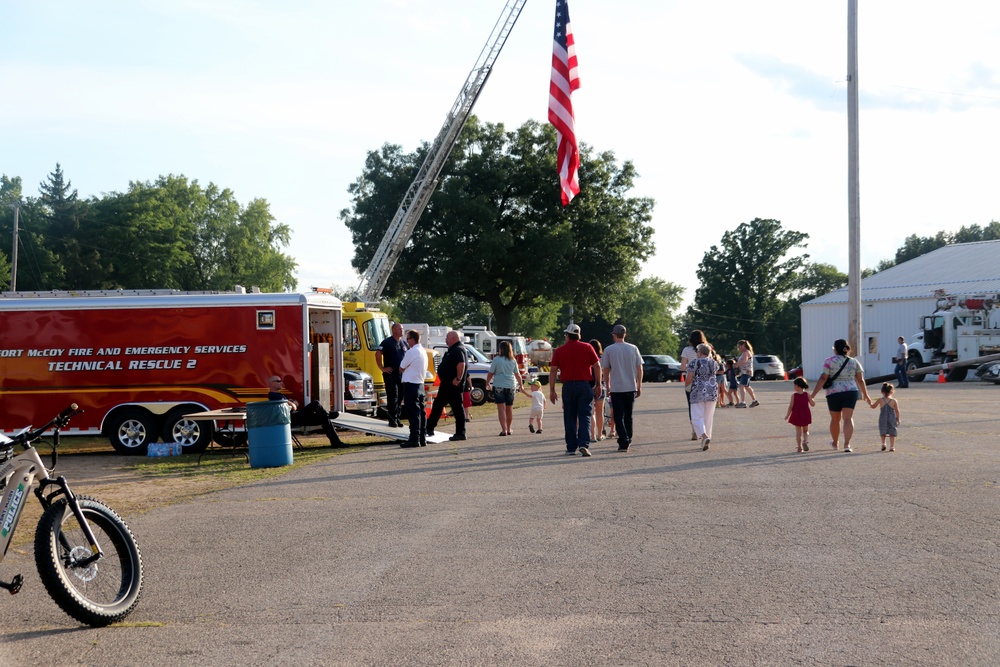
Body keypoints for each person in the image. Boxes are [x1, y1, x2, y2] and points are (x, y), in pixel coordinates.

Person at [810, 338, 872, 453]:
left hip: (833, 393)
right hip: (851, 392)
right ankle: (847, 444)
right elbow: (860, 380)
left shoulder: (828, 361)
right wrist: (866, 395)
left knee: (835, 419)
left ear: (835, 349)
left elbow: (824, 378)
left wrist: (813, 394)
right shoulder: (854, 362)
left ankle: (835, 443)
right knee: (848, 418)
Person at [549, 323, 602, 457]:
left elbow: (553, 371)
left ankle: (571, 447)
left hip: (568, 386)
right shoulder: (588, 347)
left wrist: (552, 390)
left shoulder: (559, 351)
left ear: (567, 335)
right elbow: (597, 365)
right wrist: (599, 384)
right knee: (585, 416)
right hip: (585, 385)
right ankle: (584, 444)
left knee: (570, 417)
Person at [266, 375, 343, 447]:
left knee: (324, 418)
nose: (281, 383)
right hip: (292, 418)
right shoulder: (274, 396)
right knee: (315, 403)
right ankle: (329, 414)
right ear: (272, 383)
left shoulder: (280, 395)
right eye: (278, 381)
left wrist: (292, 402)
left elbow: (296, 403)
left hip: (295, 416)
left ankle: (336, 442)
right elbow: (294, 407)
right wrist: (292, 403)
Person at [600, 324, 643, 452]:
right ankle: (628, 437)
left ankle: (623, 440)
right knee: (628, 415)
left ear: (614, 335)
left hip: (616, 387)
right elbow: (639, 369)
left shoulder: (609, 349)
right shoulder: (633, 348)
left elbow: (606, 370)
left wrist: (607, 385)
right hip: (630, 386)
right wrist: (639, 385)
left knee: (618, 416)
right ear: (625, 334)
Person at [426, 331, 467, 442]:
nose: (446, 340)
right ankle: (429, 428)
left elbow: (461, 364)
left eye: (447, 338)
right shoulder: (453, 349)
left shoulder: (458, 349)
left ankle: (460, 433)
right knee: (438, 405)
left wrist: (458, 378)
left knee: (457, 408)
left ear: (454, 338)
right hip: (447, 385)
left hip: (453, 385)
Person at [685, 343, 720, 451]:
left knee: (696, 416)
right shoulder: (714, 363)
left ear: (699, 353)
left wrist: (686, 385)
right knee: (708, 417)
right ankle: (707, 438)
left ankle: (704, 436)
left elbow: (689, 378)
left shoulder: (694, 363)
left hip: (698, 391)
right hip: (712, 391)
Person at [399, 329, 429, 448]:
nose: (407, 341)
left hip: (411, 384)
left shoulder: (411, 352)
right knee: (421, 412)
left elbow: (401, 367)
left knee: (413, 413)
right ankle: (422, 438)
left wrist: (406, 368)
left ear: (412, 339)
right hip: (420, 384)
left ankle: (414, 439)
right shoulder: (423, 351)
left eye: (407, 339)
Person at [486, 339, 522, 437]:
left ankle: (504, 430)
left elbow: (491, 373)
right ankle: (509, 428)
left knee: (501, 409)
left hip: (499, 385)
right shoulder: (513, 360)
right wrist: (521, 385)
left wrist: (487, 383)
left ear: (501, 349)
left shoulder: (496, 359)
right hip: (511, 386)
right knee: (509, 409)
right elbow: (517, 374)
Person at [375, 323, 408, 427]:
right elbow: (378, 353)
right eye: (399, 329)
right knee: (393, 396)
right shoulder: (387, 342)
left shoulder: (403, 343)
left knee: (400, 397)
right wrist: (382, 368)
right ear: (393, 330)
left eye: (402, 329)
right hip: (391, 374)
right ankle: (392, 419)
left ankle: (397, 418)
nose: (401, 331)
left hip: (402, 375)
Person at [679, 330, 708, 440]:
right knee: (704, 406)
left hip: (691, 381)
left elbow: (682, 367)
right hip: (705, 381)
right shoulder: (707, 348)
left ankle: (695, 430)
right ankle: (703, 430)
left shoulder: (686, 350)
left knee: (692, 406)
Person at [785, 377, 815, 453]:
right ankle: (805, 441)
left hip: (797, 415)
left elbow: (791, 407)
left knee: (798, 432)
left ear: (797, 386)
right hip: (805, 414)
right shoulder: (807, 394)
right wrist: (812, 399)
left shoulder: (794, 396)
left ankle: (799, 447)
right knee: (806, 431)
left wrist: (787, 415)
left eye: (794, 385)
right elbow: (812, 404)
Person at [869, 382, 902, 452]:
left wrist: (869, 402)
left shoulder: (880, 400)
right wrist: (898, 419)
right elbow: (897, 410)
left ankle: (883, 443)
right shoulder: (894, 401)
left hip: (883, 418)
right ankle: (892, 446)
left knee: (883, 431)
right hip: (892, 418)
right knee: (892, 432)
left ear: (882, 392)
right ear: (892, 392)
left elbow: (873, 406)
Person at [589, 339, 607, 442]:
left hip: (590, 385)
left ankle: (593, 436)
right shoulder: (602, 359)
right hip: (601, 385)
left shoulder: (588, 358)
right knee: (600, 412)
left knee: (591, 412)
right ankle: (600, 434)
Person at [735, 340, 759, 408]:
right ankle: (754, 400)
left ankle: (743, 402)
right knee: (746, 386)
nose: (738, 348)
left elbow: (744, 361)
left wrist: (736, 364)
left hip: (746, 372)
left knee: (741, 386)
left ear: (743, 345)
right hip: (744, 372)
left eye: (739, 346)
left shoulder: (746, 352)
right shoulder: (745, 353)